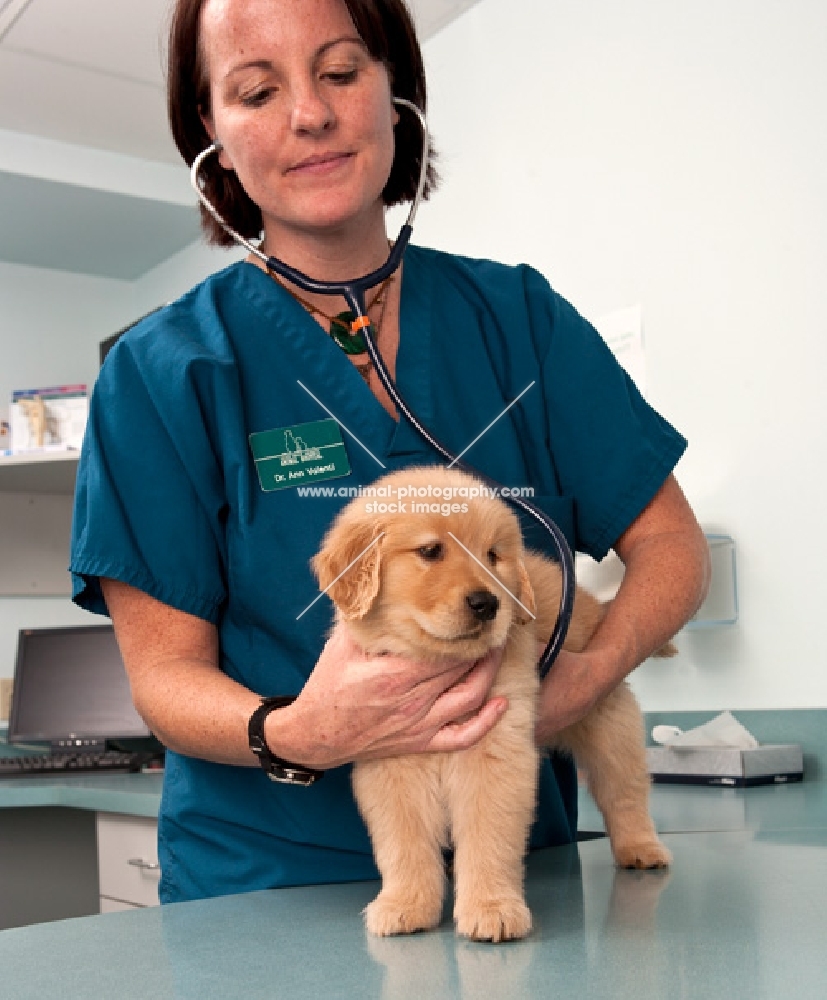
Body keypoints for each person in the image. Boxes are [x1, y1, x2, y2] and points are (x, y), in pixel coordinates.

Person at [70, 0, 709, 905]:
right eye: (257, 90)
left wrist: (583, 682)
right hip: (262, 887)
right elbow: (165, 680)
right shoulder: (162, 372)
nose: (310, 114)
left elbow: (673, 551)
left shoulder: (521, 323)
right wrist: (300, 731)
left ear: (393, 92)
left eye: (340, 71)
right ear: (211, 132)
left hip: (517, 882)